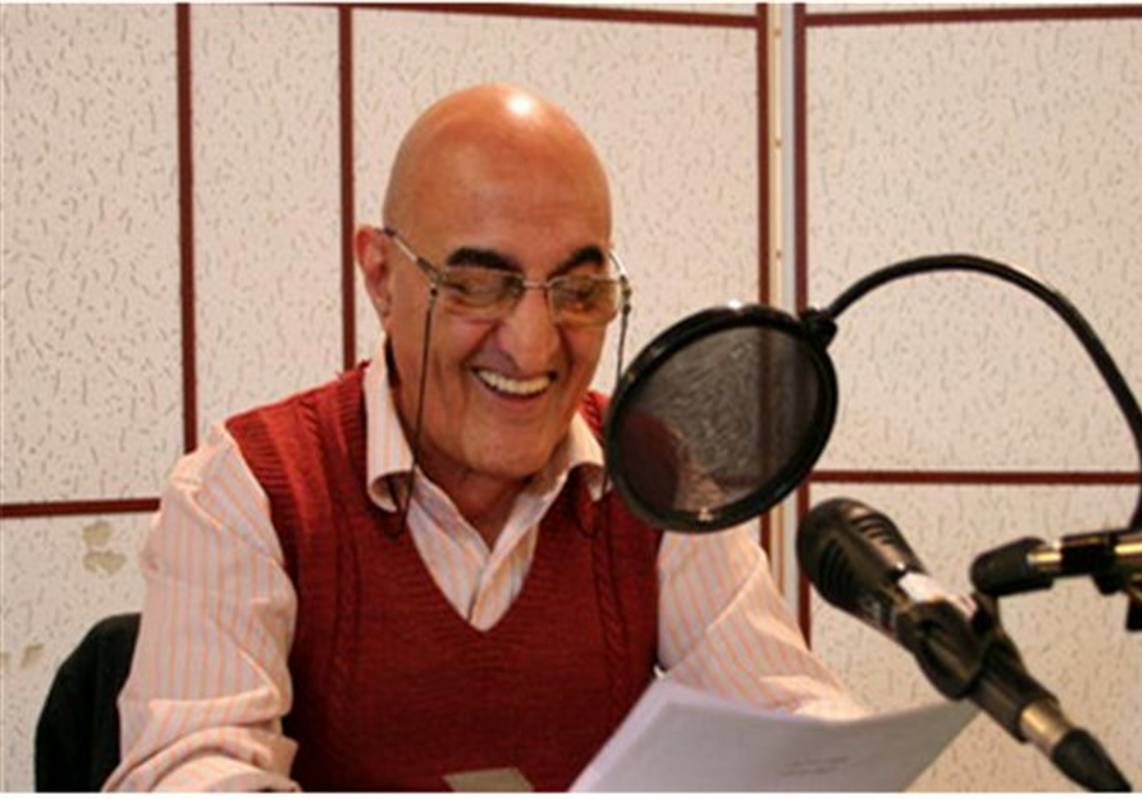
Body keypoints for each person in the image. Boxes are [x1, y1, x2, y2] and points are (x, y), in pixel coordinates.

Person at [104, 84, 862, 792]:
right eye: (476, 286)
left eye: (578, 290)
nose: (533, 348)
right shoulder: (249, 488)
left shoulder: (651, 473)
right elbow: (192, 769)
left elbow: (792, 724)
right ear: (381, 277)